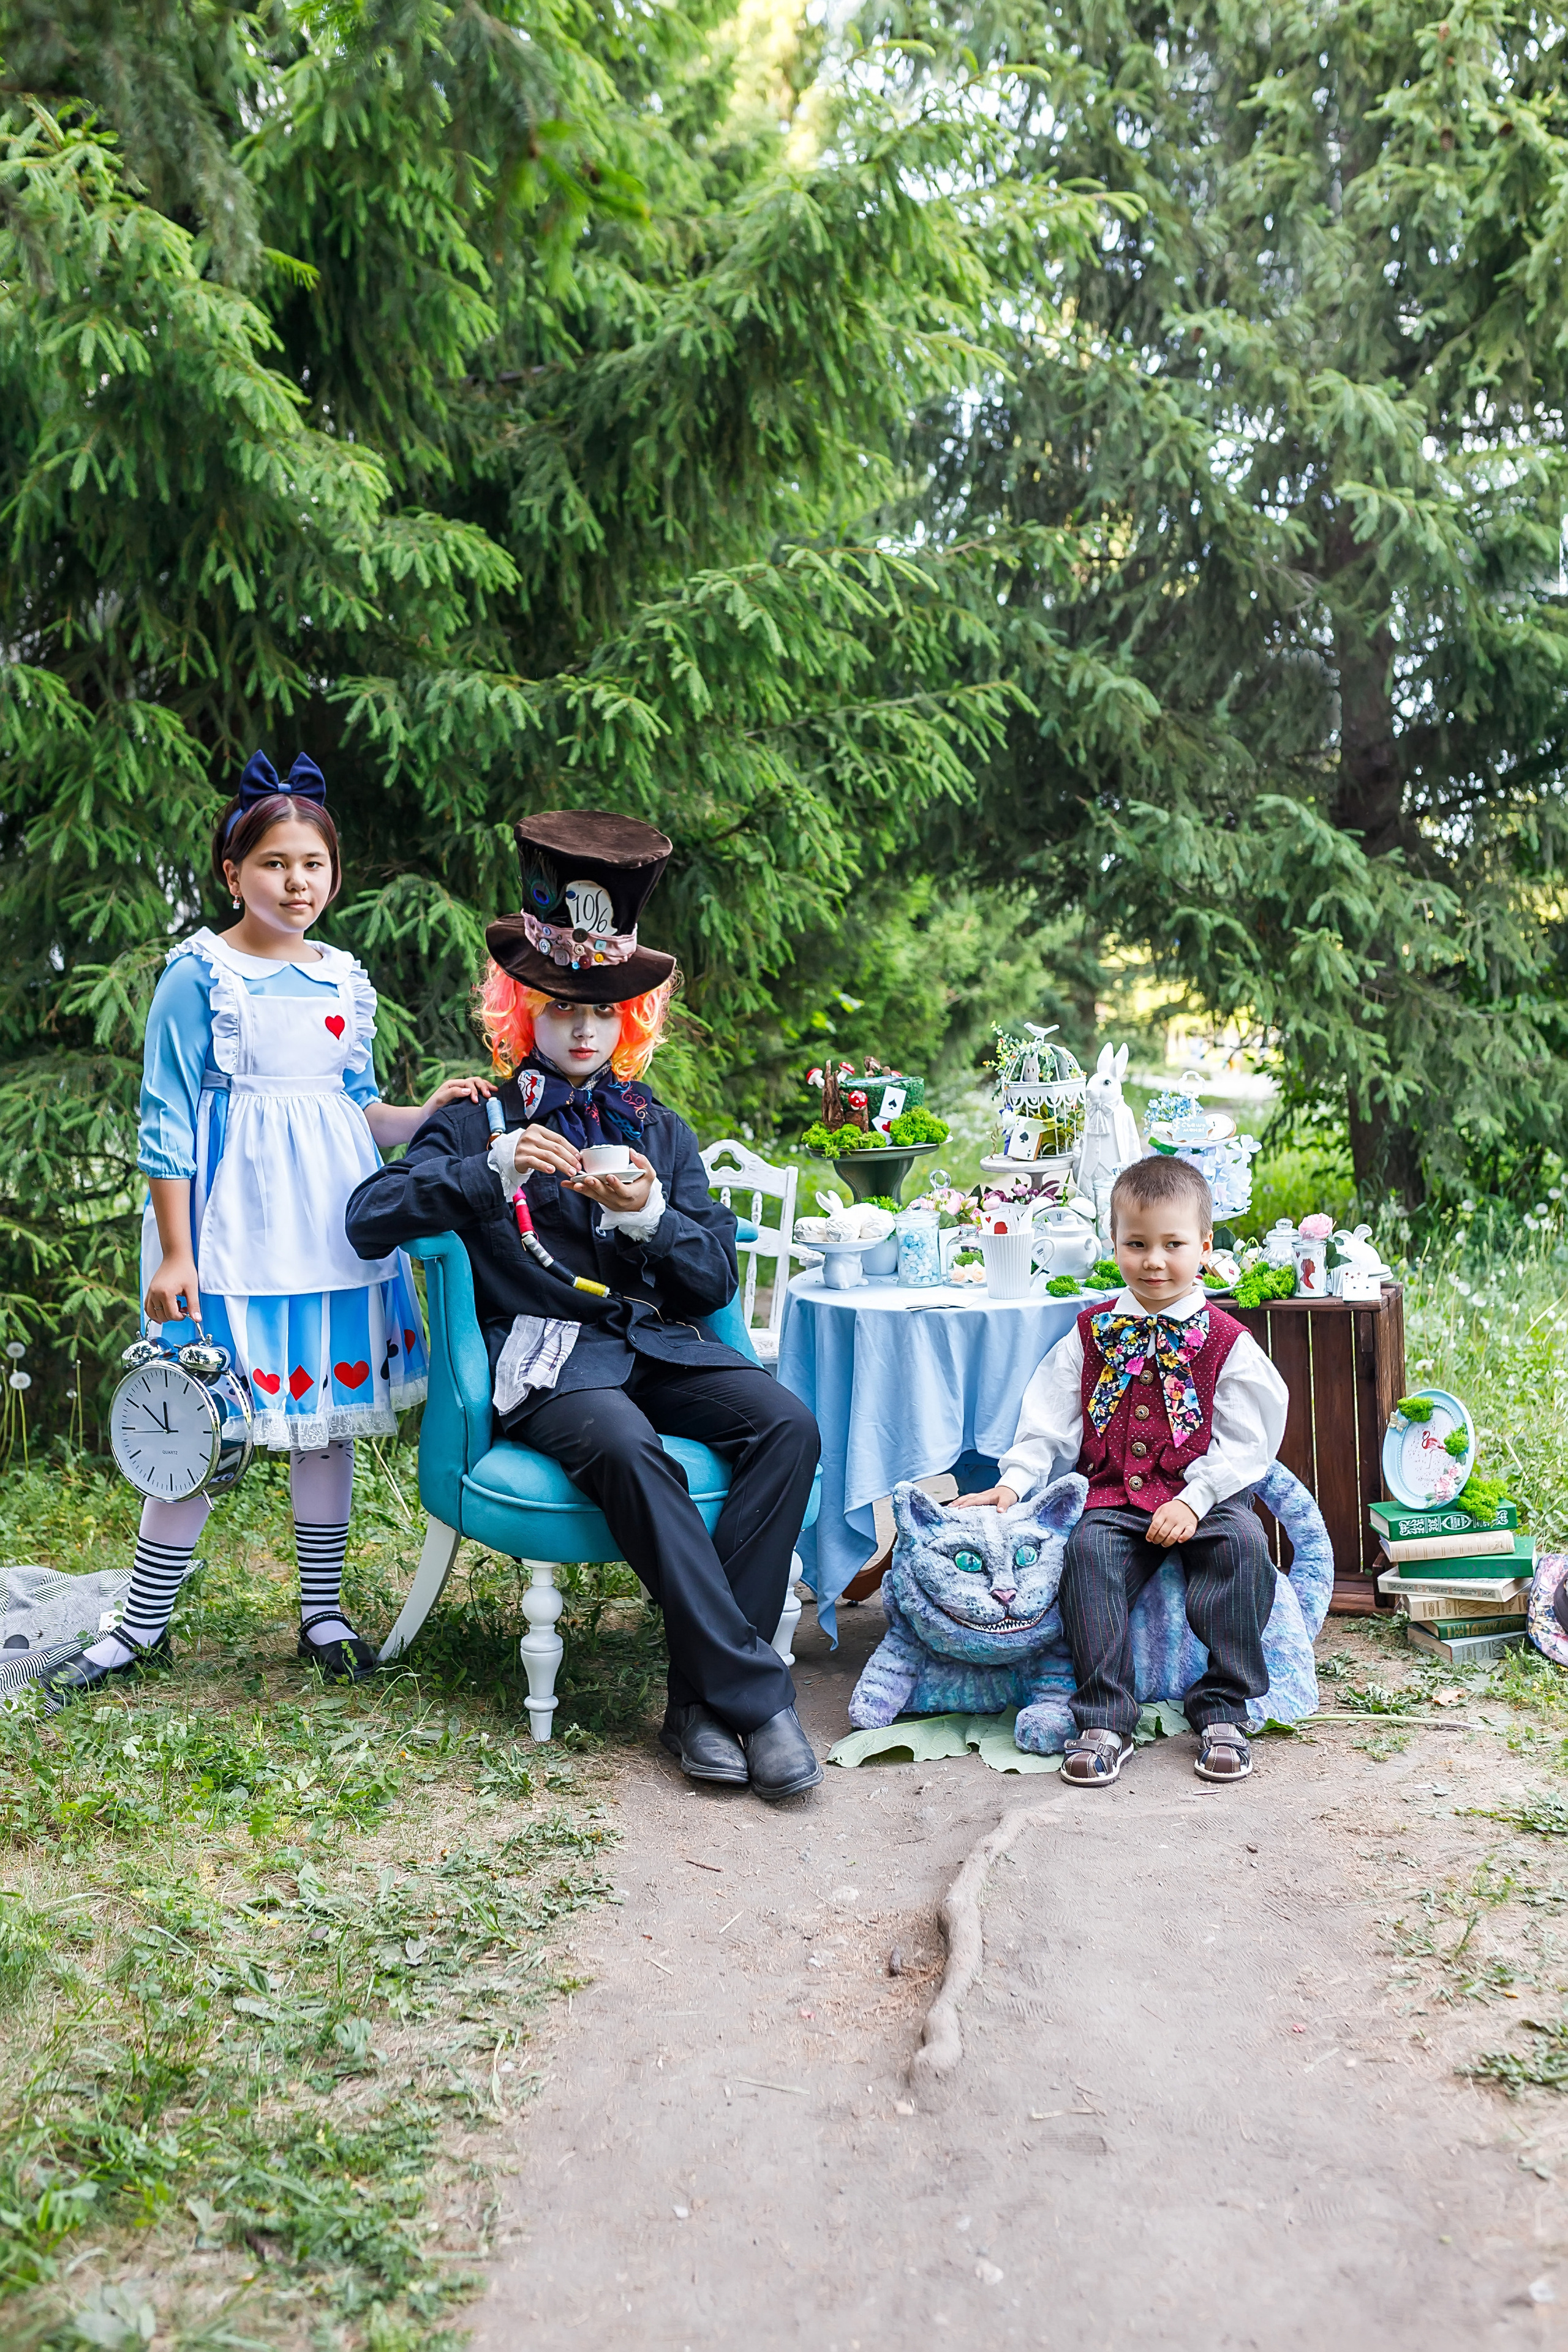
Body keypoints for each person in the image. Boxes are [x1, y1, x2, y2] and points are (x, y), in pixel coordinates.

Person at [344, 808, 824, 1803]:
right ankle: (758, 1699)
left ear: (627, 1022)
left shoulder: (658, 1125)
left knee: (786, 1424)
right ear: (523, 1007)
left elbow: (713, 1285)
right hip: (548, 1361)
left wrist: (651, 1214)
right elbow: (369, 1217)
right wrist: (489, 1168)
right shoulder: (476, 1116)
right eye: (559, 1004)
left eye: (600, 1011)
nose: (580, 1025)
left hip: (656, 1345)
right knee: (616, 1435)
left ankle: (696, 1705)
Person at [47, 751, 490, 1703]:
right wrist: (175, 1254)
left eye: (314, 865)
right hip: (229, 1241)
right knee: (199, 1427)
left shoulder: (345, 982)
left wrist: (426, 1115)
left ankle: (323, 1613)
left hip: (332, 1236)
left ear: (334, 873)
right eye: (275, 864)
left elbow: (357, 1109)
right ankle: (141, 1626)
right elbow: (163, 1120)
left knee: (322, 1431)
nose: (297, 883)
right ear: (232, 872)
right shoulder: (198, 975)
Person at [954, 1153, 1287, 1785]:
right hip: (1114, 1497)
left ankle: (1223, 1705)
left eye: (1172, 1245)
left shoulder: (1225, 1342)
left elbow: (1250, 1439)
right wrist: (1013, 1482)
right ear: (1114, 1245)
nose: (1154, 1262)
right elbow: (1048, 1421)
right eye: (1136, 1244)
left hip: (1204, 1497)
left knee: (1244, 1546)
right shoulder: (1091, 1334)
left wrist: (1197, 1498)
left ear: (1205, 1247)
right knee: (1088, 1553)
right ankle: (1105, 1715)